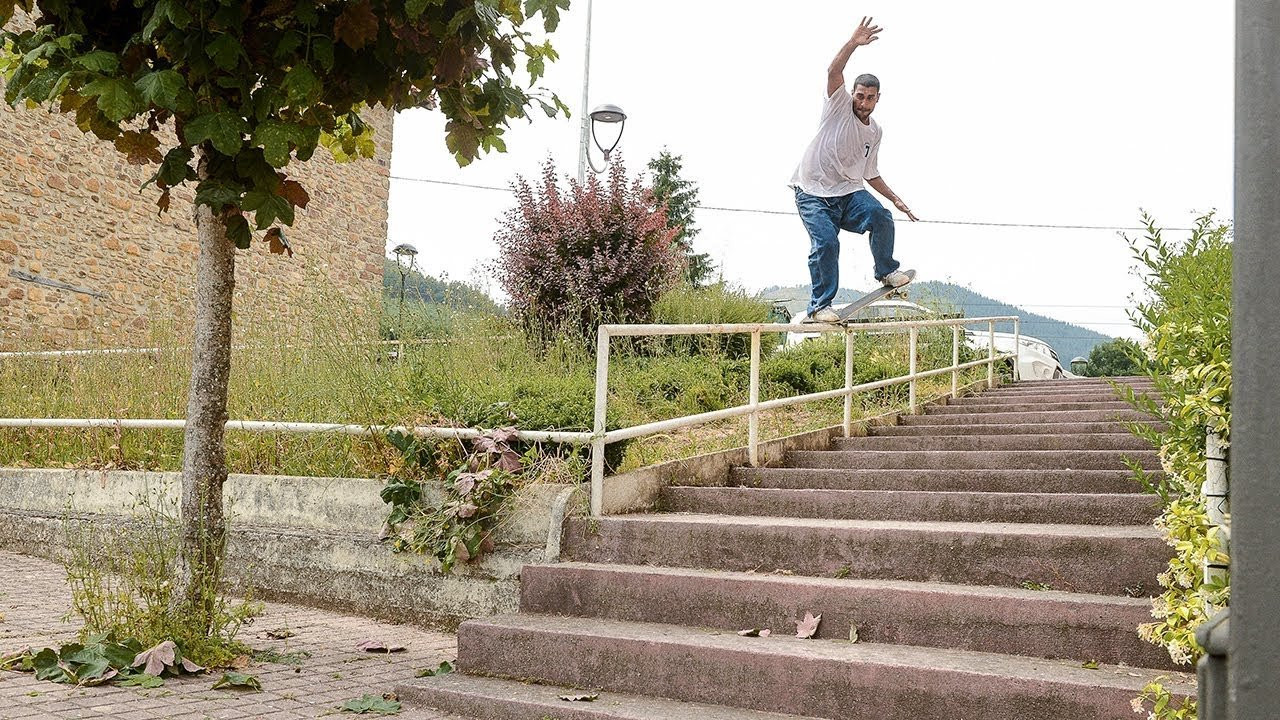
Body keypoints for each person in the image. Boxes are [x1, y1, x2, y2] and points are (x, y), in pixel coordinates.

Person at [791, 16, 917, 324]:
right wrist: (852, 43)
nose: (862, 102)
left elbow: (870, 173)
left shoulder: (875, 131)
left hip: (848, 193)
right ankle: (821, 305)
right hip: (812, 192)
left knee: (881, 216)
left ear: (877, 98)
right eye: (859, 96)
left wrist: (895, 198)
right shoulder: (838, 106)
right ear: (854, 94)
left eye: (868, 98)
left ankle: (885, 270)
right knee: (827, 243)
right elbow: (834, 71)